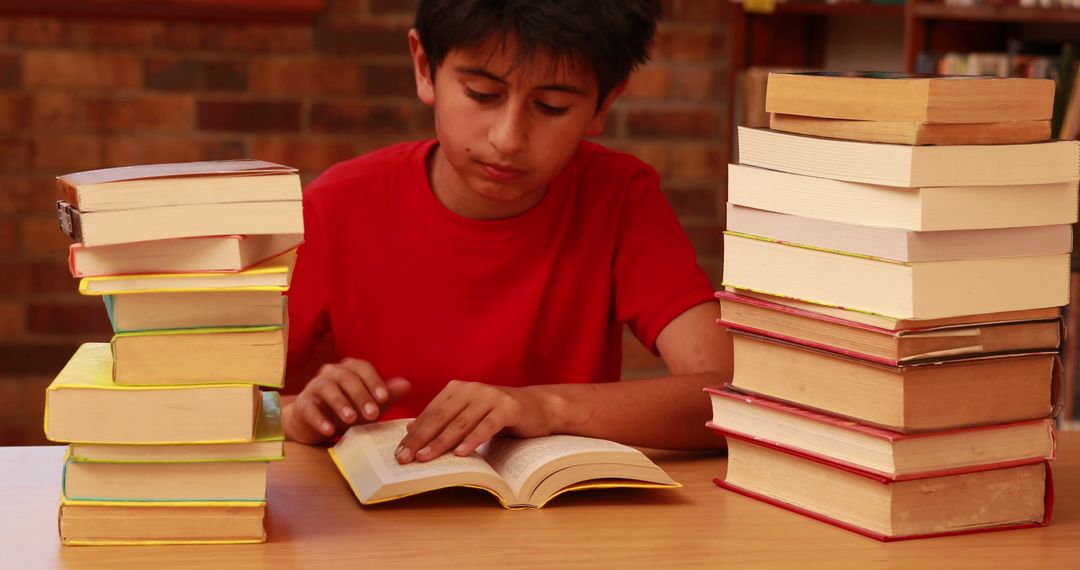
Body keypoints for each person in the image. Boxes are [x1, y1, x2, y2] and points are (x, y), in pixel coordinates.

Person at [281, 0, 732, 463]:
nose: (508, 138)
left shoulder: (618, 197)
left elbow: (735, 398)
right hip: (379, 521)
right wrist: (295, 416)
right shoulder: (339, 204)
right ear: (424, 67)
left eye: (552, 106)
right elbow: (220, 401)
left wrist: (545, 406)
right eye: (481, 94)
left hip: (563, 523)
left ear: (604, 103)